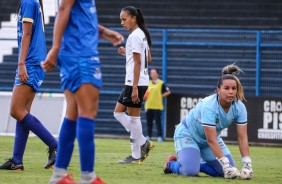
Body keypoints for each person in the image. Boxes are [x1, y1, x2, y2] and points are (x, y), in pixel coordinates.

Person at [41, 0, 124, 183]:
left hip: (74, 53)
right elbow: (64, 9)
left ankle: (59, 174)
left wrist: (102, 32)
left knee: (73, 114)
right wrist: (54, 48)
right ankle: (87, 176)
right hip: (81, 55)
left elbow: (79, 16)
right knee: (87, 112)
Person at [163, 64, 254, 179]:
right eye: (226, 88)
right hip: (188, 134)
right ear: (218, 90)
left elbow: (242, 137)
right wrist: (225, 165)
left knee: (228, 172)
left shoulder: (239, 107)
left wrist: (247, 164)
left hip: (210, 140)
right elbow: (211, 140)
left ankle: (197, 164)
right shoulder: (209, 106)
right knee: (190, 171)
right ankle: (170, 164)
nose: (231, 92)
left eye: (234, 88)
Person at [0, 0, 58, 171]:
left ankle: (55, 145)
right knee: (23, 113)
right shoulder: (33, 2)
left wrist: (21, 63)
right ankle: (17, 161)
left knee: (16, 110)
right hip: (35, 62)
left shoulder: (28, 2)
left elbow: (27, 34)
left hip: (30, 63)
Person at [114, 6, 154, 164]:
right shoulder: (142, 34)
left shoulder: (134, 36)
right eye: (121, 20)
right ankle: (143, 142)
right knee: (118, 113)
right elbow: (147, 59)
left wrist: (135, 87)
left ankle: (137, 154)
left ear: (133, 18)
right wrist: (128, 53)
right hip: (135, 81)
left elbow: (138, 62)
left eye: (124, 19)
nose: (122, 23)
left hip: (134, 82)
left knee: (133, 118)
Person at [144, 68, 171, 142]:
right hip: (148, 105)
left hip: (157, 106)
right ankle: (148, 136)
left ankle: (159, 136)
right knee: (149, 122)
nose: (152, 74)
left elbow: (168, 92)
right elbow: (145, 93)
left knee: (158, 122)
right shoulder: (148, 83)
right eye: (151, 73)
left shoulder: (161, 83)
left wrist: (161, 96)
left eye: (153, 73)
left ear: (157, 74)